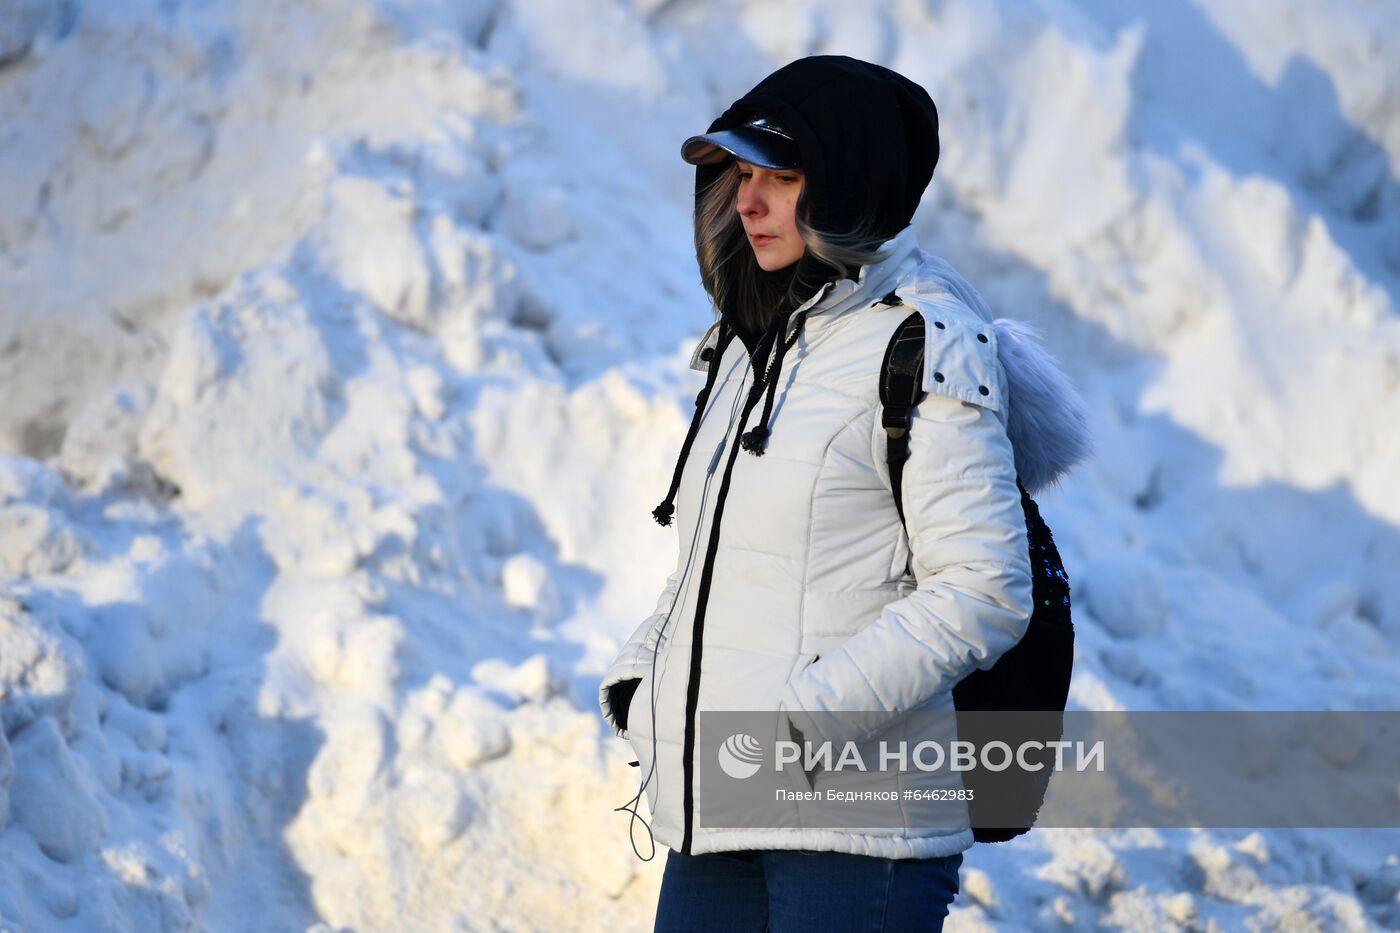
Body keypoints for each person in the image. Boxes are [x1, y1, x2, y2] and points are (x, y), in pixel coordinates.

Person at [598, 55, 1091, 932]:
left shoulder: (927, 340)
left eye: (780, 177)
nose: (748, 201)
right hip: (720, 801)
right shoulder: (755, 343)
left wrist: (803, 723)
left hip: (858, 827)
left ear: (853, 184)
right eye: (741, 176)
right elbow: (718, 560)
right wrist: (644, 681)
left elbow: (983, 589)